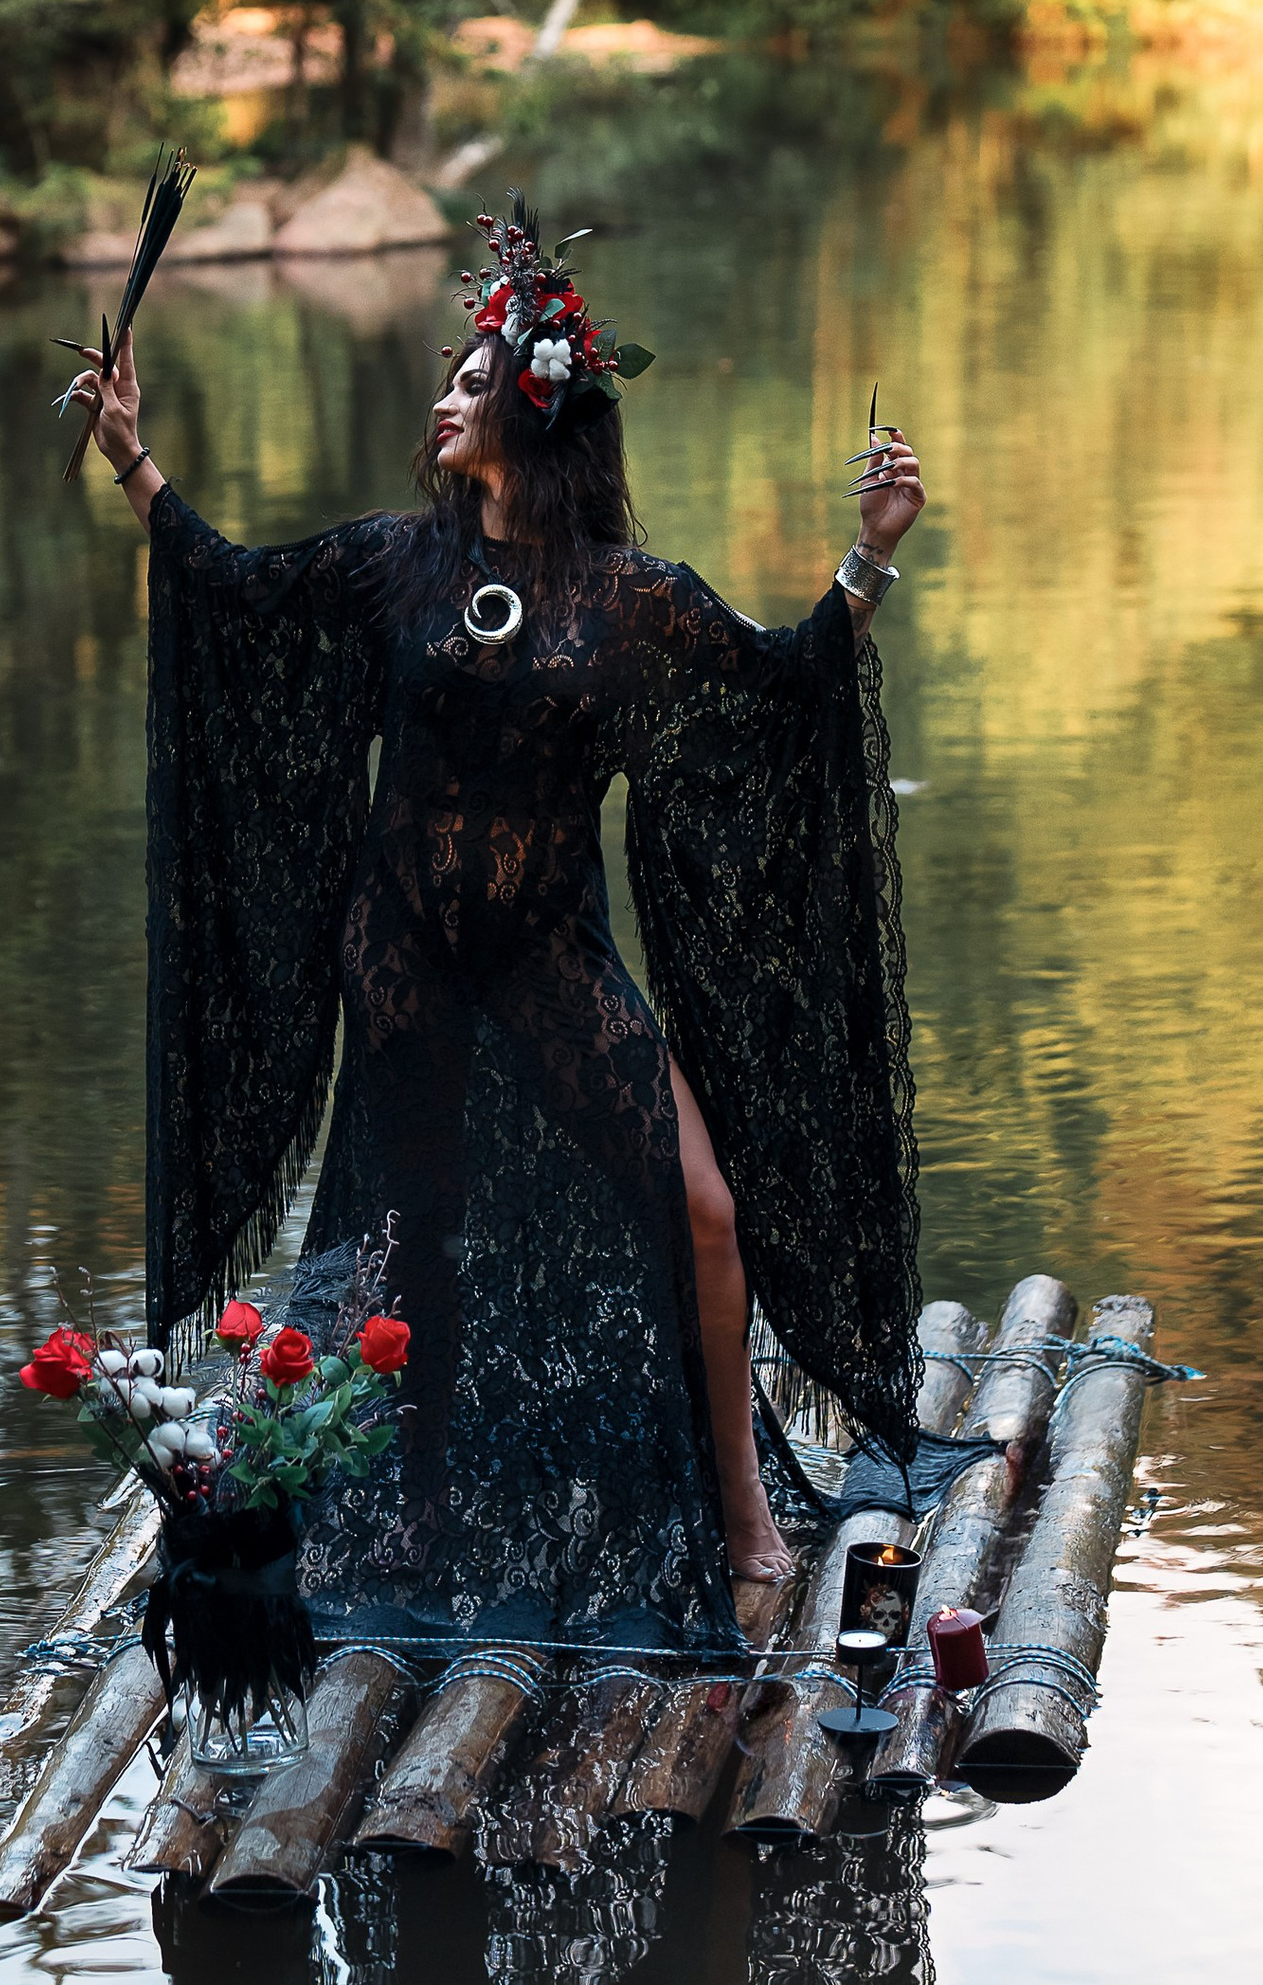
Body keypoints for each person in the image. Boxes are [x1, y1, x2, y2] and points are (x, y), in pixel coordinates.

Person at [62, 195, 923, 1674]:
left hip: (545, 954)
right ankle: (415, 1507)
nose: (443, 401)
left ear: (537, 409)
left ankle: (738, 1516)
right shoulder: (398, 563)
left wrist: (868, 558)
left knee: (704, 1208)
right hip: (398, 953)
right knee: (417, 1244)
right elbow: (239, 589)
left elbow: (778, 696)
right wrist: (131, 452)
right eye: (453, 382)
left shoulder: (629, 604)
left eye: (470, 381)